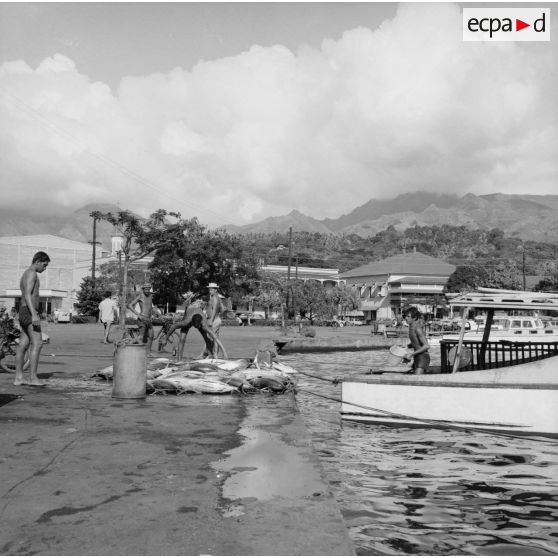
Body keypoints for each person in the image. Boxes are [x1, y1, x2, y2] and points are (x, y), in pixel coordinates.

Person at [14, 251, 50, 386]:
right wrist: (34, 314)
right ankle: (33, 378)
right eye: (44, 265)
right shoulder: (31, 273)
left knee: (23, 344)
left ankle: (18, 377)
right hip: (29, 312)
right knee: (38, 343)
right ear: (37, 262)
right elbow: (28, 295)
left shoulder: (25, 274)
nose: (45, 268)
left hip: (23, 311)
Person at [162, 293, 227, 361]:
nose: (196, 328)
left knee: (207, 338)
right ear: (192, 323)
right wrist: (165, 338)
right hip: (189, 311)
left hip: (198, 313)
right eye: (196, 326)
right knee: (182, 339)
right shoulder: (186, 322)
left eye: (198, 326)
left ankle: (211, 356)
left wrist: (224, 352)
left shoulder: (204, 324)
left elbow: (215, 337)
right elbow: (173, 326)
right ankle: (179, 360)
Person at [128, 283, 155, 355]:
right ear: (143, 289)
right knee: (141, 337)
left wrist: (153, 316)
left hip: (149, 320)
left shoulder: (150, 296)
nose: (147, 290)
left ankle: (148, 352)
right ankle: (129, 346)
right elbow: (130, 305)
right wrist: (138, 314)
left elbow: (150, 308)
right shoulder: (140, 296)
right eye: (145, 289)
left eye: (148, 289)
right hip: (142, 319)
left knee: (151, 336)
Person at [199, 282, 225, 358]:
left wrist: (211, 319)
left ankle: (205, 354)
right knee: (214, 337)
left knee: (209, 336)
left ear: (215, 290)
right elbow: (222, 309)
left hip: (214, 320)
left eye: (211, 289)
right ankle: (214, 354)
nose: (210, 290)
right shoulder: (212, 297)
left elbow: (214, 310)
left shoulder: (215, 298)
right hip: (215, 319)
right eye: (209, 289)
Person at [403, 306, 430, 375]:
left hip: (423, 357)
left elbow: (426, 346)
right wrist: (407, 346)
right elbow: (416, 342)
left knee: (417, 379)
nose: (406, 318)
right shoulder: (411, 328)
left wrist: (411, 354)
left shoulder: (417, 329)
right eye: (405, 316)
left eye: (408, 316)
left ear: (414, 318)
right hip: (417, 357)